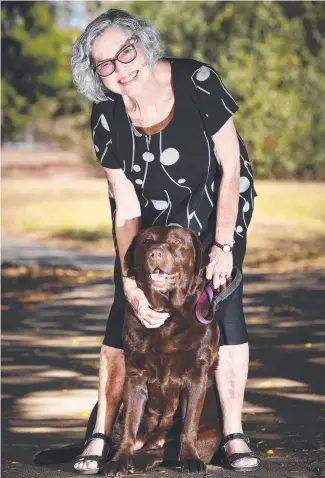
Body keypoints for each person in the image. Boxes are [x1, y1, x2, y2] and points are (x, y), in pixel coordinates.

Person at [70, 8, 259, 475]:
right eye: (104, 64)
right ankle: (104, 435)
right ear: (95, 74)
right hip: (149, 230)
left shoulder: (196, 80)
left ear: (143, 44)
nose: (120, 68)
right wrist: (132, 277)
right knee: (123, 316)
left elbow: (231, 170)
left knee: (223, 315)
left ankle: (232, 433)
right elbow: (125, 202)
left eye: (125, 52)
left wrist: (222, 245)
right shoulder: (106, 114)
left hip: (216, 212)